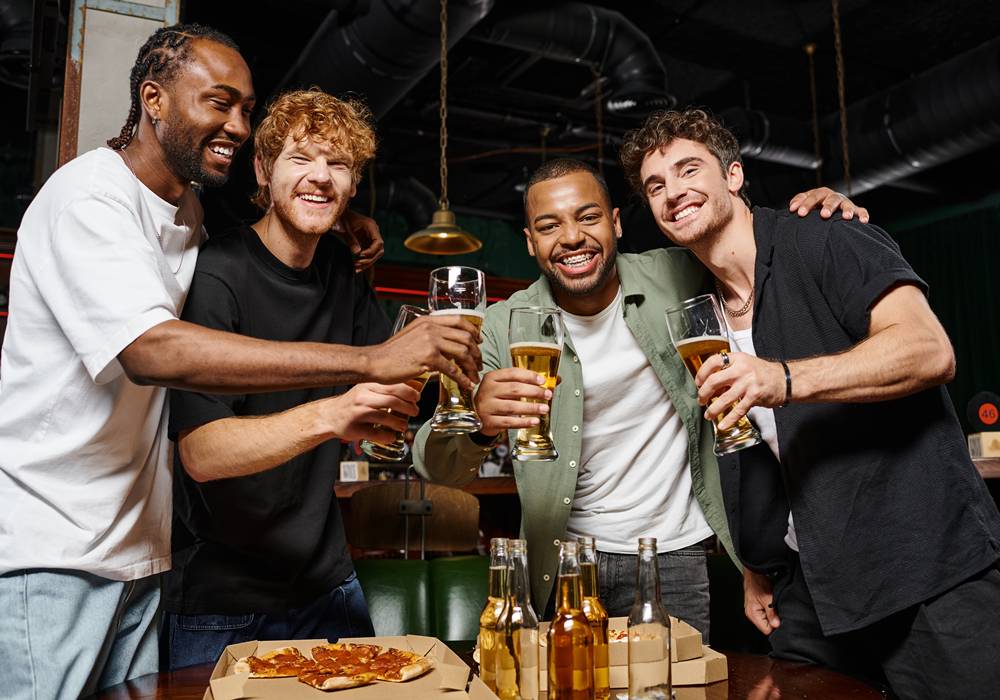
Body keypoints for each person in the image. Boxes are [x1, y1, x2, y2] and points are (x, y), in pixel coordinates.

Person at [0, 24, 480, 699]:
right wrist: (366, 364)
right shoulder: (89, 198)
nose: (235, 122)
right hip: (56, 545)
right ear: (153, 99)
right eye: (217, 102)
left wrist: (334, 220)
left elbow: (276, 248)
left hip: (142, 545)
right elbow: (153, 350)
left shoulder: (187, 210)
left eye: (246, 109)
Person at [620, 108, 1000, 699]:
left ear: (735, 176)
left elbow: (929, 350)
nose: (673, 192)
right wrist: (756, 563)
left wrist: (784, 379)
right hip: (813, 590)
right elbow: (757, 450)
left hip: (926, 567)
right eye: (656, 185)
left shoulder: (823, 233)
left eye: (688, 169)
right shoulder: (703, 311)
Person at [412, 156, 864, 635]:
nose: (571, 238)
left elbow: (754, 246)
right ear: (530, 243)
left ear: (616, 223)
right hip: (565, 561)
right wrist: (480, 424)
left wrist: (815, 221)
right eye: (549, 226)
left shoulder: (678, 273)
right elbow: (435, 465)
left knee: (671, 689)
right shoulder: (504, 325)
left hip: (671, 556)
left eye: (587, 217)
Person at [163, 88, 408, 669]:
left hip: (329, 585)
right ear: (263, 169)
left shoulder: (342, 273)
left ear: (353, 185)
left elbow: (400, 380)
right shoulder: (216, 275)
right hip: (224, 601)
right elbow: (201, 452)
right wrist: (333, 415)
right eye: (301, 159)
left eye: (339, 164)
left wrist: (461, 385)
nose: (320, 177)